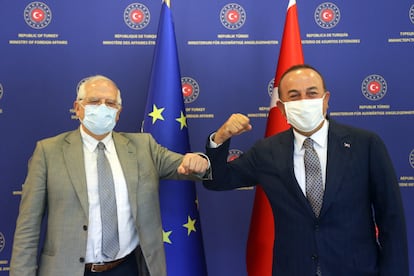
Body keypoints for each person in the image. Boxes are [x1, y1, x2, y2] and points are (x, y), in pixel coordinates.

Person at [203, 64, 409, 275]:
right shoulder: (266, 151)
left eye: (312, 93)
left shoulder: (365, 145)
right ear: (282, 108)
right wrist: (220, 138)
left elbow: (391, 219)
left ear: (326, 100)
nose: (304, 101)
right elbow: (216, 180)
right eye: (294, 96)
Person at [10, 75, 209, 276]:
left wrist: (200, 161)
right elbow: (28, 226)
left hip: (126, 268)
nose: (102, 108)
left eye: (110, 103)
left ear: (118, 113)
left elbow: (189, 167)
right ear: (78, 108)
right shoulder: (48, 152)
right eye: (94, 101)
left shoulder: (143, 147)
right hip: (67, 270)